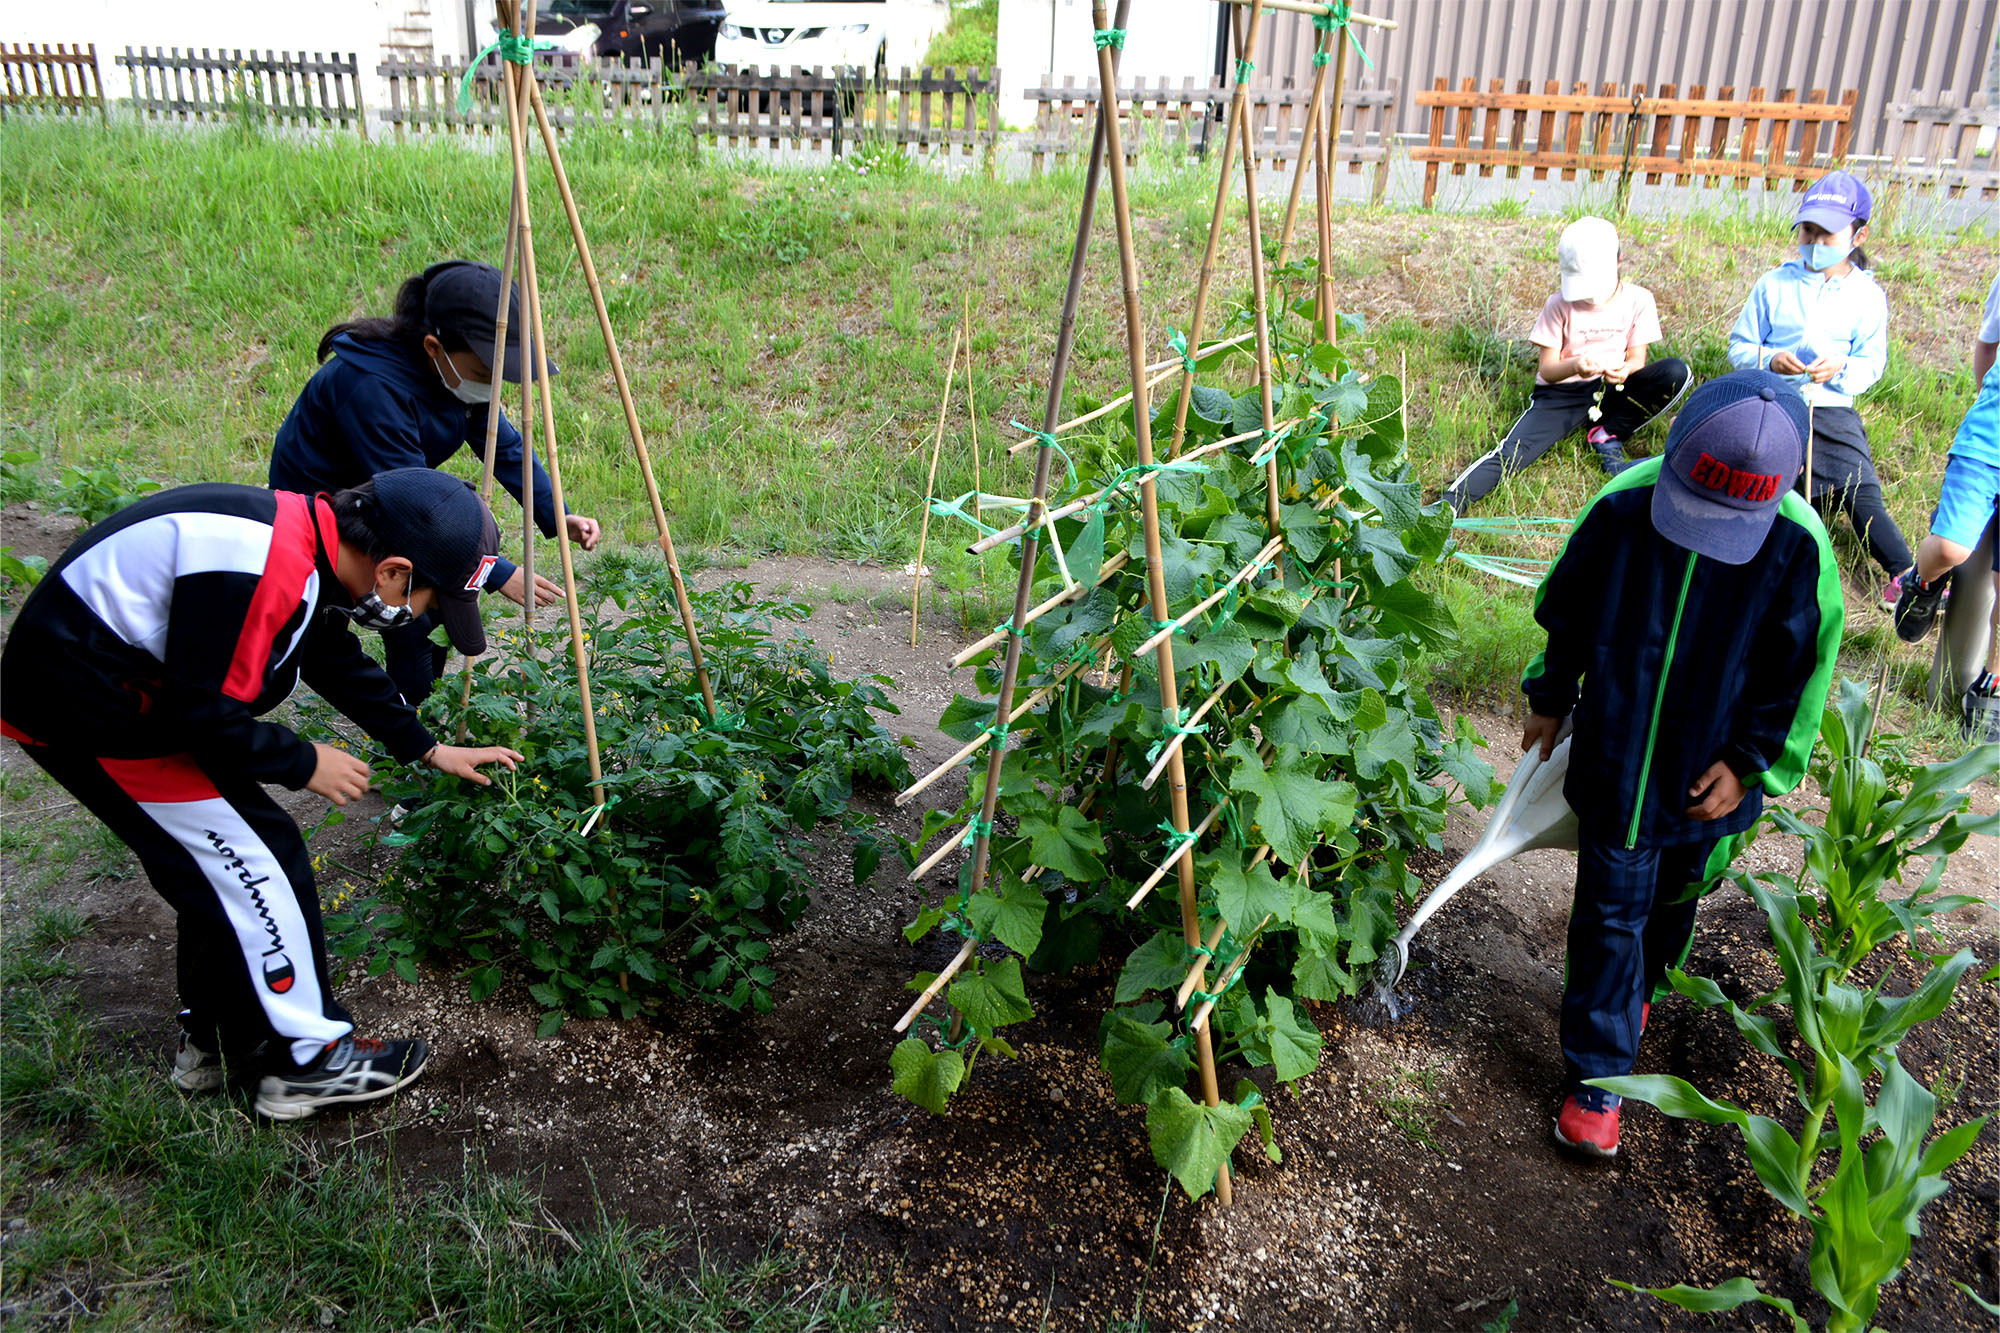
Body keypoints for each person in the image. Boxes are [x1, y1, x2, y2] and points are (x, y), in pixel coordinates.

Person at [0, 469, 524, 1120]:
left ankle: (219, 1040)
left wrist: (424, 746)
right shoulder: (264, 570)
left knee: (216, 868)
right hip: (88, 710)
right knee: (259, 858)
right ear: (392, 573)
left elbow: (327, 652)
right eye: (431, 607)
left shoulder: (303, 538)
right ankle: (310, 1061)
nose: (423, 620)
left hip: (116, 693)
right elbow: (204, 721)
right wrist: (303, 761)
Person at [1520, 370, 1843, 1158]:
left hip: (1709, 775)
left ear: (1780, 491)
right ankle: (1599, 1077)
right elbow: (1570, 608)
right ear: (1672, 451)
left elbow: (1795, 673)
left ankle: (1639, 988)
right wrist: (1551, 693)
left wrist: (1749, 762)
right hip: (1619, 753)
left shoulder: (1800, 548)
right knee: (1609, 909)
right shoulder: (1623, 506)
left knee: (1675, 896)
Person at [270, 260, 603, 703]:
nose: (493, 387)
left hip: (384, 499)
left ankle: (425, 710)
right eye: (487, 375)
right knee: (381, 616)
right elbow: (416, 504)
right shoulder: (372, 387)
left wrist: (557, 515)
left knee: (435, 603)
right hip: (325, 514)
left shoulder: (458, 378)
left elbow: (504, 448)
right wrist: (496, 571)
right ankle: (413, 732)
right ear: (433, 346)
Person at [1727, 170, 1914, 603]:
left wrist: (1843, 366)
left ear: (1858, 235)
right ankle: (1743, 557)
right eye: (1807, 230)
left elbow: (1872, 363)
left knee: (1859, 486)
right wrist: (1769, 359)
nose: (1814, 240)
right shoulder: (1774, 283)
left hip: (1830, 407)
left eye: (1827, 234)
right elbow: (1740, 346)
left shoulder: (1868, 297)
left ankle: (1906, 575)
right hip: (1771, 400)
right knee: (1763, 481)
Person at [1442, 215, 1692, 513]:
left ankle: (1607, 432)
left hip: (1614, 387)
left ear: (1619, 260)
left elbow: (1637, 359)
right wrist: (1575, 365)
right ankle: (1448, 507)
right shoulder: (1558, 304)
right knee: (1515, 452)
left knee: (1677, 373)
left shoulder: (1639, 300)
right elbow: (1547, 369)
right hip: (1562, 393)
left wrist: (1625, 369)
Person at [1892, 268, 2000, 743]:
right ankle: (1923, 581)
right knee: (1952, 548)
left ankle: (1993, 685)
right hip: (1986, 445)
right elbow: (1986, 346)